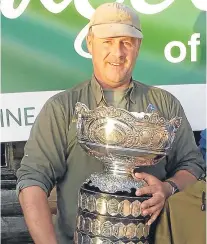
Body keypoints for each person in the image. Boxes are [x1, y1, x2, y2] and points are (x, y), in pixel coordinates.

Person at [16, 3, 205, 244]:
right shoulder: (61, 108)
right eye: (108, 41)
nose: (117, 53)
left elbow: (192, 165)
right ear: (90, 42)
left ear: (138, 47)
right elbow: (33, 181)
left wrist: (168, 188)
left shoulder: (166, 105)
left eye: (126, 42)